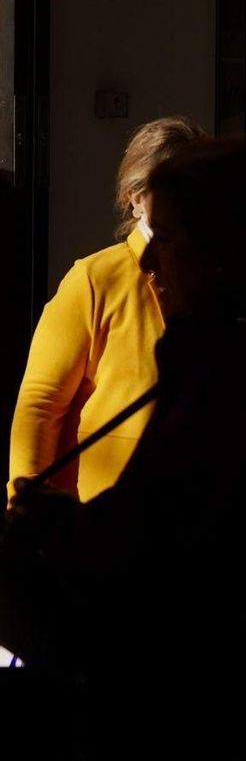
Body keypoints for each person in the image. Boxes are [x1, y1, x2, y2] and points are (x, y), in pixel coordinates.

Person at [5, 138, 246, 761]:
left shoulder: (228, 368)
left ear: (224, 252)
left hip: (199, 703)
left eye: (173, 236)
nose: (151, 259)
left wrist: (51, 527)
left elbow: (155, 536)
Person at [9, 116, 206, 502]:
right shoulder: (94, 279)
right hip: (97, 524)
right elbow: (39, 405)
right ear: (135, 197)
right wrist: (24, 505)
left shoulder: (214, 280)